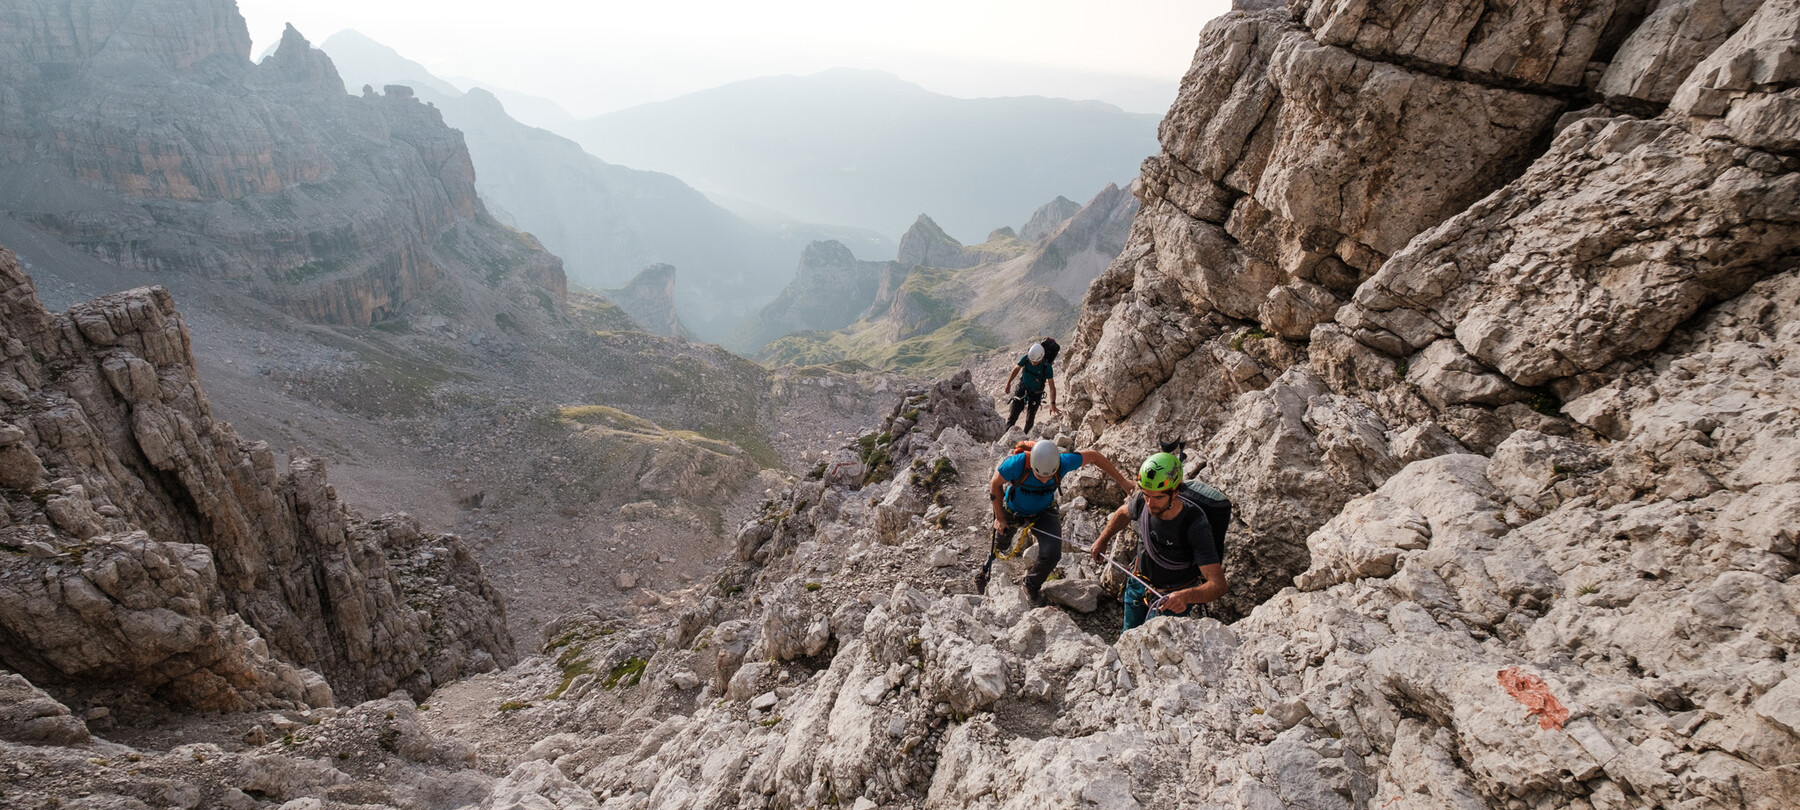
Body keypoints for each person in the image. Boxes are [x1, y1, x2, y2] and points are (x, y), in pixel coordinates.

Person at [1089, 452, 1228, 630]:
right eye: (1146, 495)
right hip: (1138, 583)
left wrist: (1184, 597)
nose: (1150, 503)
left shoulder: (1194, 525)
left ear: (1176, 492)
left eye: (1158, 497)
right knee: (1128, 636)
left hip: (1171, 598)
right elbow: (1124, 513)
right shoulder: (1144, 501)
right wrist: (1103, 539)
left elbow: (1218, 585)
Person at [985, 438, 1132, 605]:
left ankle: (1031, 585)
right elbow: (994, 484)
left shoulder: (1063, 462)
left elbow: (1095, 457)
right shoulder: (1017, 463)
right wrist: (1000, 518)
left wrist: (1124, 482)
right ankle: (986, 570)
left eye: (1049, 477)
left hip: (1044, 512)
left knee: (1052, 553)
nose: (1045, 480)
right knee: (1001, 544)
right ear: (1032, 465)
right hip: (1012, 511)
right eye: (1040, 476)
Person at [1000, 340, 1058, 432]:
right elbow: (1016, 369)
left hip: (1036, 394)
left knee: (1029, 421)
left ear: (1041, 358)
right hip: (1023, 389)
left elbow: (1052, 387)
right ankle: (1005, 439)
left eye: (1036, 362)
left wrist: (1052, 404)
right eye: (1032, 361)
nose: (1033, 363)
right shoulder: (1027, 358)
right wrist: (1008, 383)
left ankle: (1026, 441)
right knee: (1012, 416)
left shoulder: (1047, 367)